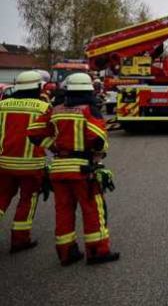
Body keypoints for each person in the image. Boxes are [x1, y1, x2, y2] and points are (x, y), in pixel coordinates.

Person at [31, 72, 119, 266]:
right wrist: (98, 155)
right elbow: (98, 140)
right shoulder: (89, 110)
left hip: (58, 168)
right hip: (82, 170)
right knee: (92, 210)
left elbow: (34, 133)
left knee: (63, 210)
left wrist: (53, 145)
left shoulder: (55, 110)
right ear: (89, 90)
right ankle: (97, 252)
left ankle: (66, 253)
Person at [0, 71, 51, 253]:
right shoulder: (43, 107)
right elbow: (52, 134)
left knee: (1, 197)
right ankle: (20, 240)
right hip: (32, 165)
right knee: (27, 200)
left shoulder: (2, 105)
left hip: (4, 163)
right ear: (38, 87)